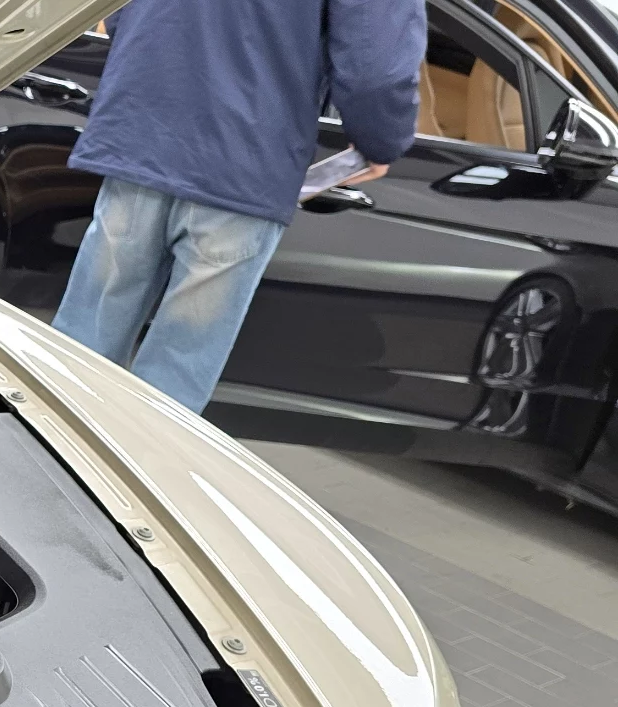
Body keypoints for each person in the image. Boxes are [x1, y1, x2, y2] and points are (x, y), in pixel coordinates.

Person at [51, 0, 425, 412]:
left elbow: (119, 13)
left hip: (143, 133)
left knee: (83, 342)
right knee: (175, 374)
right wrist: (381, 142)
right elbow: (376, 68)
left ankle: (42, 439)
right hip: (245, 160)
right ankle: (133, 452)